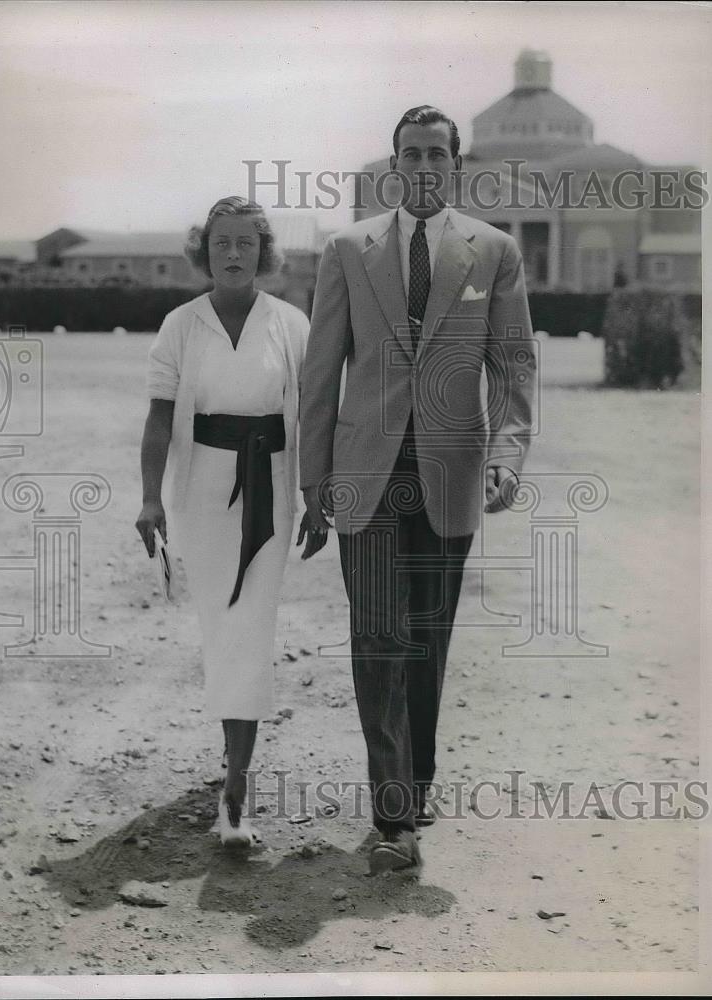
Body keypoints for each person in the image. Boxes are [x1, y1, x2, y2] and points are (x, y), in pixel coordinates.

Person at [298, 106, 536, 874]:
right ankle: (392, 818)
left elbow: (513, 366)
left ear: (455, 164)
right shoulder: (346, 248)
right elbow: (320, 370)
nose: (424, 167)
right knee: (377, 636)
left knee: (425, 640)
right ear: (393, 165)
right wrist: (312, 480)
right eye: (411, 154)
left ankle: (416, 784)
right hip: (364, 473)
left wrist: (506, 453)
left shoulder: (492, 250)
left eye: (437, 154)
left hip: (450, 471)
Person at [136, 197, 314, 848]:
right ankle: (231, 761)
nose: (233, 255)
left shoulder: (291, 324)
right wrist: (150, 499)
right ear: (203, 253)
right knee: (222, 630)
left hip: (270, 484)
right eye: (220, 244)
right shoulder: (179, 326)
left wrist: (316, 495)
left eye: (245, 243)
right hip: (201, 491)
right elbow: (159, 418)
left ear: (263, 252)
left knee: (251, 628)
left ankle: (236, 790)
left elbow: (314, 416)